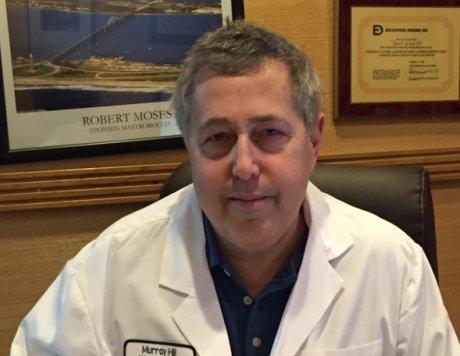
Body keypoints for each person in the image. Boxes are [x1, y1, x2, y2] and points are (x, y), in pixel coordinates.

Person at [11, 20, 459, 356]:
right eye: (218, 138)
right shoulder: (107, 269)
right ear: (190, 146)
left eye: (269, 133)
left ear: (314, 140)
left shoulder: (396, 269)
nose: (244, 166)